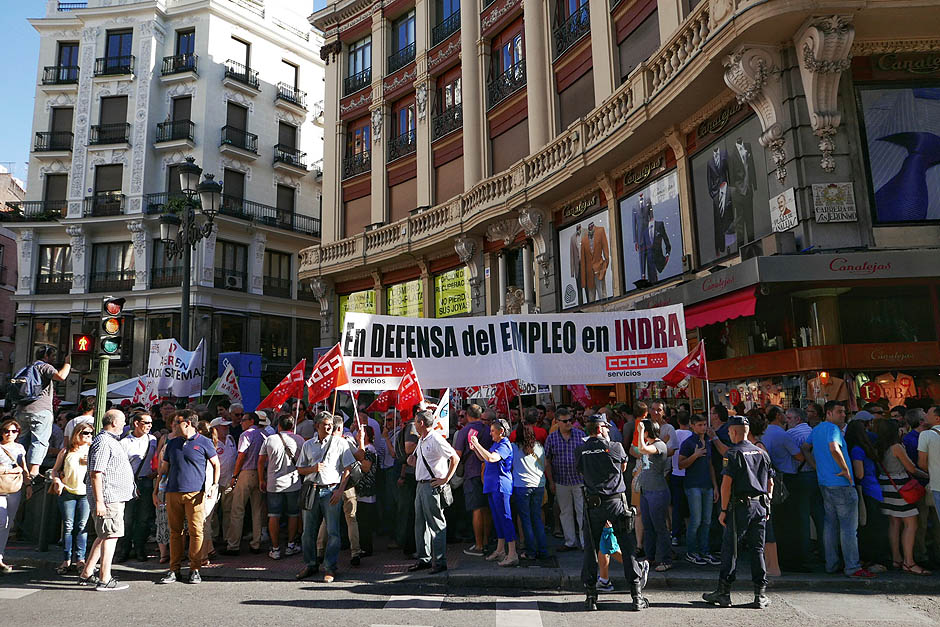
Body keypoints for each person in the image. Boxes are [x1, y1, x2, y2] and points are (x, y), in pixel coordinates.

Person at [577, 413, 647, 612]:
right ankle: (636, 595)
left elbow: (581, 471)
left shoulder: (581, 449)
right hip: (615, 501)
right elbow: (623, 467)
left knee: (591, 550)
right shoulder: (615, 446)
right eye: (606, 427)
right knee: (627, 546)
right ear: (600, 429)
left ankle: (591, 596)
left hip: (593, 503)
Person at [702, 414, 773, 609]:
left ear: (733, 432)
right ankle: (760, 595)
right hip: (760, 505)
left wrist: (723, 510)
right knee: (757, 549)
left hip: (740, 506)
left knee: (730, 549)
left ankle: (724, 593)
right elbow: (770, 482)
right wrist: (767, 503)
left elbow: (726, 485)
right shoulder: (761, 452)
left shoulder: (732, 454)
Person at [804, 401, 874, 578]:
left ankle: (831, 564)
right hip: (841, 483)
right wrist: (845, 470)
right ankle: (852, 566)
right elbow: (834, 447)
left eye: (844, 411)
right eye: (840, 411)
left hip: (825, 482)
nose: (843, 415)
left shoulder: (817, 429)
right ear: (829, 413)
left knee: (830, 525)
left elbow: (805, 448)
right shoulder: (832, 429)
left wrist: (816, 466)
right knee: (848, 528)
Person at [158, 410, 219, 585]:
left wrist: (214, 485)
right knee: (175, 532)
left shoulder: (204, 442)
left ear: (187, 423)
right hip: (172, 492)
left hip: (195, 493)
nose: (174, 426)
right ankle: (174, 569)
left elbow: (216, 464)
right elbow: (164, 468)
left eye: (177, 422)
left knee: (196, 531)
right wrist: (157, 490)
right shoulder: (172, 443)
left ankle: (195, 569)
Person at [296, 411, 357, 583]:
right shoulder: (308, 445)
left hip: (331, 491)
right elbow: (300, 468)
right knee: (308, 532)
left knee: (333, 532)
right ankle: (310, 564)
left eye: (331, 424)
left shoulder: (340, 443)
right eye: (325, 424)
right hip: (312, 491)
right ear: (317, 426)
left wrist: (340, 490)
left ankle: (330, 567)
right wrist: (313, 469)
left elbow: (348, 468)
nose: (329, 427)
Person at [78, 409, 134, 591]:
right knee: (111, 535)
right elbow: (96, 473)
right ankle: (105, 578)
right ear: (114, 422)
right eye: (123, 420)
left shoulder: (109, 441)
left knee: (104, 535)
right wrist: (99, 501)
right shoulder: (103, 442)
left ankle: (87, 573)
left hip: (113, 497)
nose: (125, 424)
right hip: (109, 498)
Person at [874, 418, 929, 575]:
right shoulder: (896, 447)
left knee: (894, 523)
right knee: (911, 524)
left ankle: (896, 558)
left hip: (885, 485)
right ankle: (909, 562)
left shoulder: (878, 446)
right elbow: (911, 468)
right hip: (901, 487)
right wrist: (928, 475)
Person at [408, 409, 459, 574]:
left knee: (436, 524)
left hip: (431, 485)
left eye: (416, 422)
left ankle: (440, 561)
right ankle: (424, 559)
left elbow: (455, 458)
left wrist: (445, 479)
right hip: (421, 484)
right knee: (420, 524)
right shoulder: (422, 439)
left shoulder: (436, 438)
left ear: (421, 423)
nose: (414, 425)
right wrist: (413, 461)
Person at [12, 345, 71, 479]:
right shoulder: (44, 366)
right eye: (52, 356)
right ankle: (33, 473)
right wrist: (67, 363)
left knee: (22, 441)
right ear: (46, 356)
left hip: (22, 411)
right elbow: (61, 376)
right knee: (39, 442)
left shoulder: (26, 368)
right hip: (40, 411)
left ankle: (19, 469)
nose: (54, 358)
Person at [761, 405, 805, 572]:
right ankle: (790, 558)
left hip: (771, 478)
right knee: (790, 521)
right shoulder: (783, 435)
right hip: (786, 478)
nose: (785, 416)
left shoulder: (764, 433)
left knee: (776, 521)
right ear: (778, 416)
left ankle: (777, 558)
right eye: (783, 413)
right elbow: (799, 456)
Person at [469, 417, 517, 567]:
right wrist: (475, 448)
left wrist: (478, 444)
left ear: (501, 431)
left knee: (505, 518)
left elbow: (491, 458)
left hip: (500, 486)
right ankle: (500, 550)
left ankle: (512, 553)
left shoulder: (504, 445)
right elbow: (485, 458)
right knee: (498, 519)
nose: (490, 434)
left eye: (492, 431)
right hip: (492, 486)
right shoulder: (496, 444)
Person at [846, 418, 890, 572]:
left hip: (865, 491)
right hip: (875, 489)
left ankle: (871, 559)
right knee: (876, 526)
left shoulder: (856, 450)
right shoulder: (867, 447)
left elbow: (859, 473)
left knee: (867, 527)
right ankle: (878, 559)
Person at [258, 414, 304, 560]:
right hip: (293, 482)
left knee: (273, 515)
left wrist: (261, 479)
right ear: (292, 426)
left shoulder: (270, 439)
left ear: (279, 425)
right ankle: (290, 545)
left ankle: (275, 548)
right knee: (293, 514)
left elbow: (261, 461)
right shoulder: (299, 440)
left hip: (274, 483)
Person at [678, 414, 720, 566]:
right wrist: (695, 455)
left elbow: (710, 465)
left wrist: (715, 486)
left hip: (707, 484)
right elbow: (680, 464)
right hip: (693, 485)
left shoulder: (708, 441)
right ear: (692, 425)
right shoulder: (688, 443)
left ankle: (704, 550)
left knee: (707, 520)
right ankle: (691, 551)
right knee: (695, 520)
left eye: (704, 424)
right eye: (700, 425)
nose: (703, 427)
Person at [50, 424, 92, 574]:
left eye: (90, 433)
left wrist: (90, 463)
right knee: (68, 526)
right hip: (67, 491)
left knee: (82, 526)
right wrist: (57, 481)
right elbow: (54, 470)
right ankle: (66, 559)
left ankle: (81, 559)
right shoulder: (66, 451)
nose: (88, 436)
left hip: (85, 493)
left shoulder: (92, 451)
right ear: (77, 434)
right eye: (85, 433)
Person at [223, 409, 266, 555]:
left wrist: (235, 475)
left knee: (237, 510)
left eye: (244, 420)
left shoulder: (246, 435)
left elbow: (241, 456)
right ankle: (256, 543)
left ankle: (233, 545)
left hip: (246, 472)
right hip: (260, 474)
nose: (241, 422)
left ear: (251, 421)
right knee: (257, 510)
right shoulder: (264, 434)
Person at [453, 404, 493, 557]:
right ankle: (486, 541)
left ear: (468, 415)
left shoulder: (464, 431)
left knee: (477, 509)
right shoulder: (488, 429)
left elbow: (457, 454)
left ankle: (479, 545)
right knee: (486, 508)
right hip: (488, 472)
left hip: (472, 473)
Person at [117, 412, 157, 563]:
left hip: (146, 481)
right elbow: (121, 466)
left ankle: (140, 548)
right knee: (127, 518)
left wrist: (155, 472)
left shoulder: (152, 440)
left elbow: (157, 459)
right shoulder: (125, 442)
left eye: (151, 423)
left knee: (143, 518)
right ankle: (124, 549)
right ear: (136, 423)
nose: (149, 426)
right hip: (129, 481)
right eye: (146, 423)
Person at [545, 406, 586, 551]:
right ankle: (570, 541)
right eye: (565, 421)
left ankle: (585, 542)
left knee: (582, 511)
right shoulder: (552, 438)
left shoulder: (580, 435)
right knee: (565, 512)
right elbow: (547, 460)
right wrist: (551, 482)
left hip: (579, 480)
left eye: (570, 420)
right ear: (557, 422)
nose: (568, 423)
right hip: (561, 480)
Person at [634, 419, 671, 571]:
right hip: (646, 490)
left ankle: (666, 560)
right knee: (648, 526)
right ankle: (650, 557)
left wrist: (641, 430)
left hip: (657, 491)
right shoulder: (650, 445)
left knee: (659, 526)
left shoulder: (659, 445)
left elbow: (642, 449)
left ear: (647, 431)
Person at [511, 412, 549, 562]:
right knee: (537, 518)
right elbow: (545, 464)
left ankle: (531, 551)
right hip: (538, 485)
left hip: (522, 486)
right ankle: (543, 550)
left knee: (525, 520)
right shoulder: (539, 446)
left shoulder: (514, 447)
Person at [0, 418, 32, 573]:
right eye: (6, 431)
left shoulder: (20, 448)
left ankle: (0, 556)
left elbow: (24, 467)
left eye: (14, 431)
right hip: (0, 488)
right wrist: (10, 470)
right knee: (1, 521)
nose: (10, 434)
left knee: (8, 524)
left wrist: (28, 484)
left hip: (15, 488)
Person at [208, 417, 236, 549]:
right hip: (215, 482)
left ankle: (227, 537)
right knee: (212, 510)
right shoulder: (211, 443)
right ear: (215, 428)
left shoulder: (231, 439)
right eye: (223, 426)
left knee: (228, 510)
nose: (227, 428)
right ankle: (213, 536)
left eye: (227, 425)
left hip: (229, 480)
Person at [354, 425, 379, 560]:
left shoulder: (370, 449)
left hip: (366, 490)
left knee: (365, 521)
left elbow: (365, 467)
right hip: (360, 489)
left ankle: (366, 547)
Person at [669, 411, 692, 548]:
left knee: (677, 506)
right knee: (690, 506)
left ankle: (676, 534)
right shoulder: (692, 435)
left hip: (676, 473)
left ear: (678, 421)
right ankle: (690, 535)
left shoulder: (674, 434)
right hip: (688, 473)